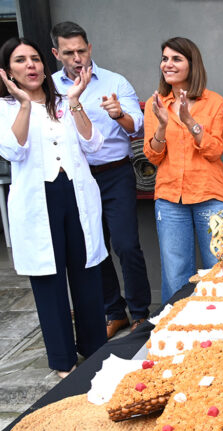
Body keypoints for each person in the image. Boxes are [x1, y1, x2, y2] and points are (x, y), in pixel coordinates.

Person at [0, 38, 106, 378]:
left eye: (35, 59)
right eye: (21, 61)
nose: (31, 65)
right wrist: (25, 106)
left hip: (75, 192)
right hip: (38, 198)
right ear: (8, 72)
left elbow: (94, 144)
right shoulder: (5, 108)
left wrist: (75, 102)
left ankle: (94, 348)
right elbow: (13, 151)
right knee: (49, 279)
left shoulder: (64, 101)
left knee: (86, 272)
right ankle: (63, 359)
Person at [50, 22, 151, 339]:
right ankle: (113, 311)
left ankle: (140, 314)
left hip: (115, 173)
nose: (77, 57)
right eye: (69, 52)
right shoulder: (52, 87)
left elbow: (138, 125)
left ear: (89, 48)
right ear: (57, 53)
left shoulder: (114, 81)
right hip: (77, 178)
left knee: (126, 245)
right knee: (94, 247)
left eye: (81, 50)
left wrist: (119, 113)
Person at [143, 37, 223, 303]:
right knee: (176, 275)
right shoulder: (157, 103)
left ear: (192, 64)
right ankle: (177, 330)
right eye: (164, 58)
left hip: (212, 198)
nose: (167, 64)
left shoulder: (214, 102)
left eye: (176, 59)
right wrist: (161, 126)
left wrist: (190, 122)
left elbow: (215, 150)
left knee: (219, 271)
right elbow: (153, 157)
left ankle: (222, 330)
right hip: (171, 200)